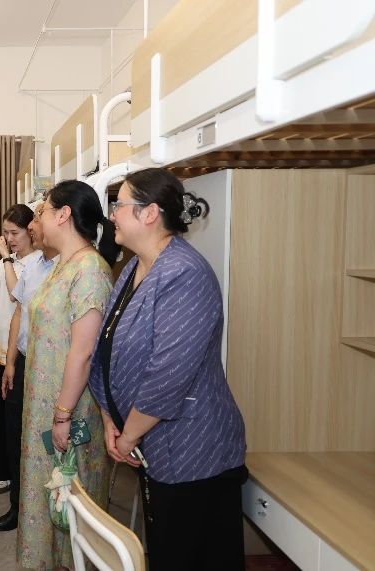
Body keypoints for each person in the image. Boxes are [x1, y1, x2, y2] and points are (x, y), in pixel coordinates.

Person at [89, 168, 247, 571]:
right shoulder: (133, 268)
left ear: (149, 213)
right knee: (165, 550)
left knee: (191, 556)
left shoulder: (185, 274)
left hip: (193, 448)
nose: (112, 215)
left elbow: (168, 376)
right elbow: (105, 346)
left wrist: (128, 436)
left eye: (119, 205)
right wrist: (110, 418)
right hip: (149, 438)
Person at [17, 180, 120, 570]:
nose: (36, 221)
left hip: (69, 410)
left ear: (63, 215)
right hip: (46, 406)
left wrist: (62, 415)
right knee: (51, 492)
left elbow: (83, 352)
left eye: (42, 211)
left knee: (71, 493)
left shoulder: (90, 270)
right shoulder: (64, 264)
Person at [0, 202, 57, 533]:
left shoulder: (66, 267)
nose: (27, 231)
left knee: (45, 439)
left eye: (35, 222)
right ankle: (18, 506)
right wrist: (11, 363)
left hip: (49, 365)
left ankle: (47, 507)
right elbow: (19, 311)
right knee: (14, 433)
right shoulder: (35, 266)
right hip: (24, 359)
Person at [0, 204, 36, 496]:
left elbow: (18, 296)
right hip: (1, 348)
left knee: (19, 421)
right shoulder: (4, 262)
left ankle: (22, 479)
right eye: (5, 233)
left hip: (22, 352)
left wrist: (5, 258)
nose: (9, 239)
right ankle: (4, 473)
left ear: (31, 230)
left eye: (14, 233)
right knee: (0, 419)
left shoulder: (38, 262)